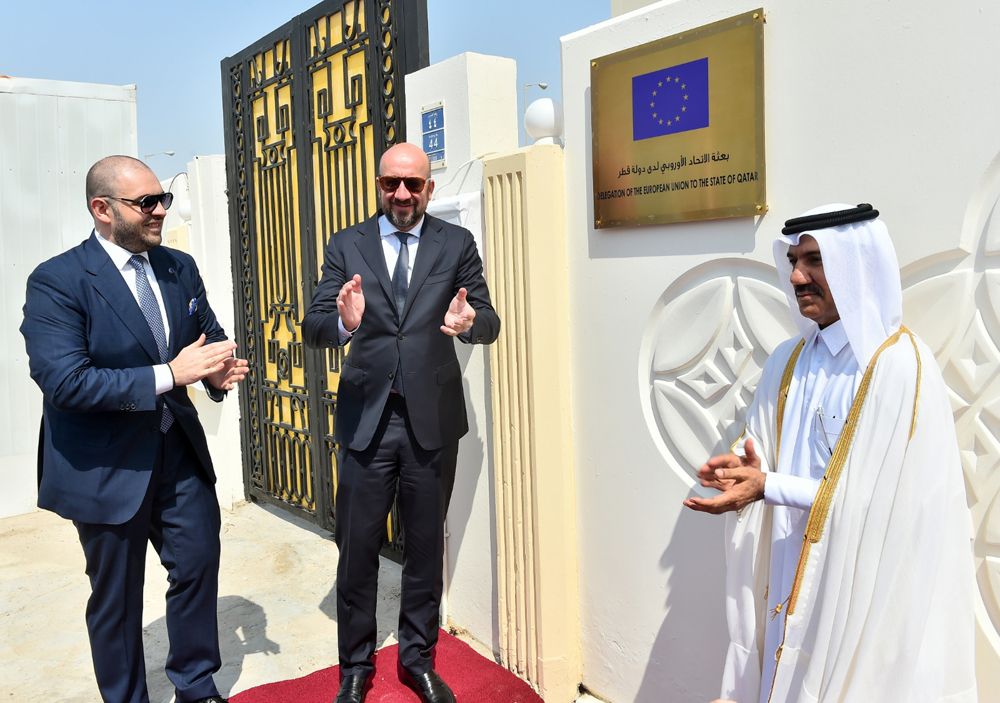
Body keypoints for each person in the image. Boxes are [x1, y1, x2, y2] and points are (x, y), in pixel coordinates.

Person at [684, 204, 977, 702]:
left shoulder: (899, 367)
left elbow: (892, 506)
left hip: (861, 582)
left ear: (856, 264)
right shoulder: (787, 360)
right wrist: (743, 467)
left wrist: (768, 486)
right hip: (788, 564)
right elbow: (762, 445)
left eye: (815, 260)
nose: (797, 276)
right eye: (794, 259)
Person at [20, 155, 248, 703]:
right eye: (145, 202)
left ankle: (196, 683)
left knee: (196, 565)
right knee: (117, 597)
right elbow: (66, 382)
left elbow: (207, 338)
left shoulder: (178, 267)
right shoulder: (57, 280)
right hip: (105, 466)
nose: (159, 211)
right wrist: (171, 374)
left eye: (162, 198)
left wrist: (217, 372)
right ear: (102, 209)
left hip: (178, 451)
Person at [302, 142, 500, 703]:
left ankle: (418, 659)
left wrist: (468, 323)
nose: (403, 194)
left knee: (423, 548)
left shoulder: (455, 243)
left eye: (414, 184)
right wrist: (341, 323)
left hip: (431, 422)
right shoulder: (347, 244)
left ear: (430, 188)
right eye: (392, 183)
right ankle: (356, 668)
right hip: (368, 420)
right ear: (379, 185)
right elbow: (314, 325)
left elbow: (488, 320)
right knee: (357, 548)